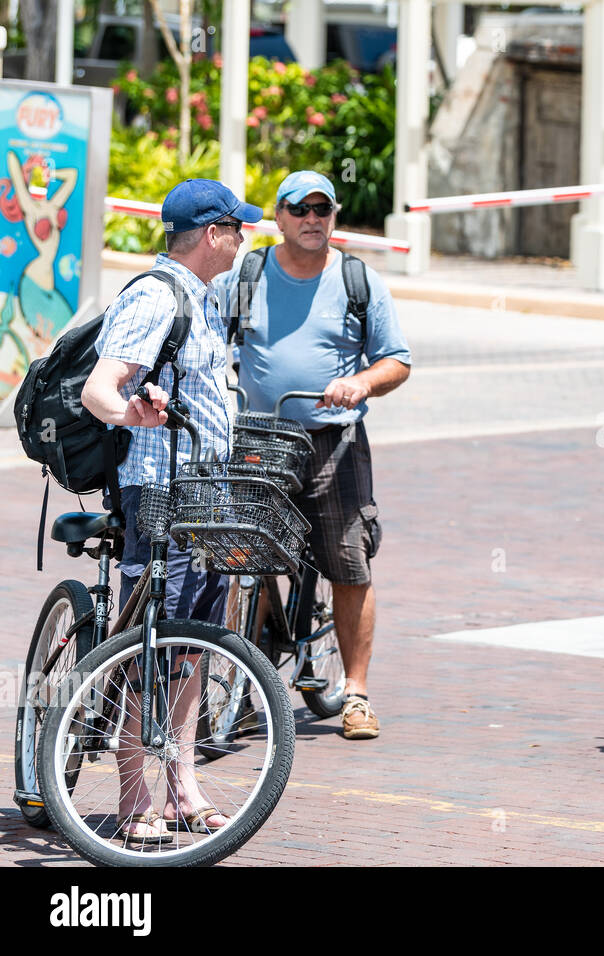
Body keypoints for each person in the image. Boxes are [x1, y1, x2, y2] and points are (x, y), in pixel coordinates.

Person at [82, 178, 263, 844]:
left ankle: (182, 786)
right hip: (159, 489)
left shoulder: (207, 300)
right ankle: (133, 798)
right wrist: (129, 411)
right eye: (238, 229)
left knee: (193, 647)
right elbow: (102, 387)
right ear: (213, 234)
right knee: (149, 646)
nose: (245, 240)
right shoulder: (156, 296)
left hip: (206, 491)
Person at [216, 170, 411, 740]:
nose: (311, 220)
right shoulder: (246, 274)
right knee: (240, 562)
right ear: (278, 217)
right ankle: (245, 681)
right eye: (300, 210)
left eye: (322, 210)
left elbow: (396, 359)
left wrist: (363, 383)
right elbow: (206, 335)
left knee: (349, 564)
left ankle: (355, 695)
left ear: (334, 215)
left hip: (333, 443)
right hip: (257, 442)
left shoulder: (357, 279)